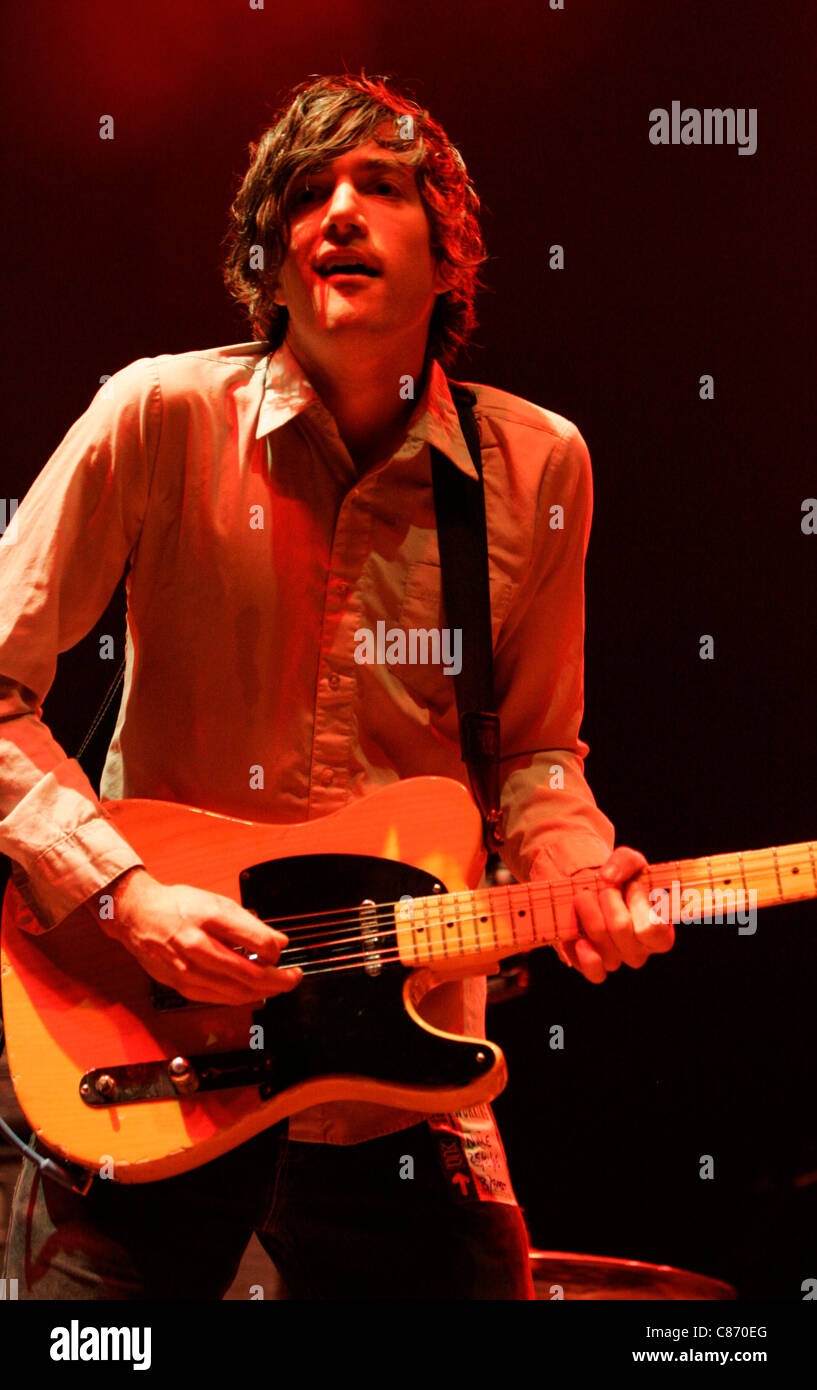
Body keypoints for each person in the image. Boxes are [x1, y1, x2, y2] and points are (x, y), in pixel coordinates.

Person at [0, 72, 674, 1301]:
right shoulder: (155, 414)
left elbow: (534, 754)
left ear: (450, 246)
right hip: (152, 1053)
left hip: (399, 1095)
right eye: (305, 194)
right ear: (267, 255)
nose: (338, 213)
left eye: (380, 186)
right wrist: (126, 894)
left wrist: (576, 874)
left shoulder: (537, 466)